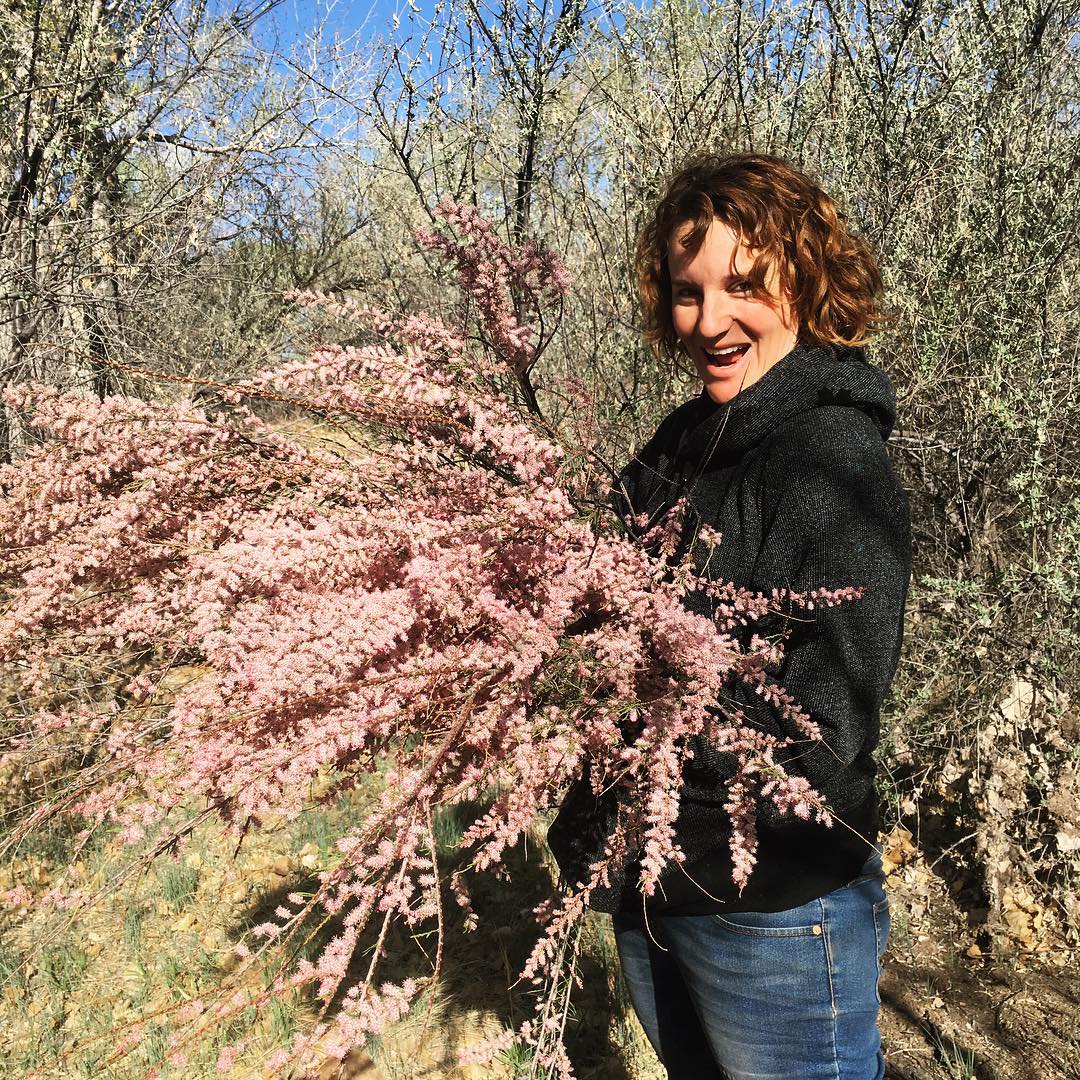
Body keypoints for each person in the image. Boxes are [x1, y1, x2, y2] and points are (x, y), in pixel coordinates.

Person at [547, 152, 912, 1080]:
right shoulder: (683, 440)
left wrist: (653, 758)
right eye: (685, 292)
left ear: (806, 277)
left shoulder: (836, 458)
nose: (710, 322)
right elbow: (591, 597)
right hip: (651, 876)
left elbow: (826, 722)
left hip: (776, 912)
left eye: (743, 285)